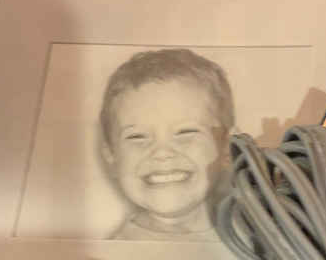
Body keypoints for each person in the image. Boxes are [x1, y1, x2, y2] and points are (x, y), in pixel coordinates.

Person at [99, 48, 235, 240]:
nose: (162, 152)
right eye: (137, 136)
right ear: (111, 156)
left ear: (227, 147)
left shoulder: (260, 237)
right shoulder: (111, 253)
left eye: (185, 132)